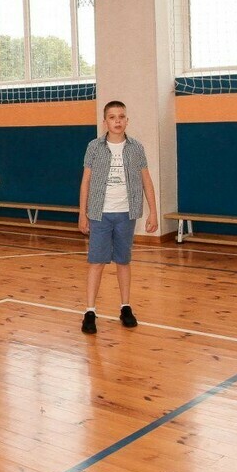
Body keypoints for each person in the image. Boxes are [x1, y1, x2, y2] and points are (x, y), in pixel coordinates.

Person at [77, 101, 158, 334]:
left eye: (121, 116)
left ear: (127, 120)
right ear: (105, 122)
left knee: (123, 261)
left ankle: (125, 307)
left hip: (125, 213)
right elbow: (86, 181)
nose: (117, 121)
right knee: (96, 262)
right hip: (99, 214)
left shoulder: (136, 148)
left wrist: (153, 211)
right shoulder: (94, 147)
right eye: (112, 117)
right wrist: (82, 213)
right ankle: (90, 311)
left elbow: (146, 180)